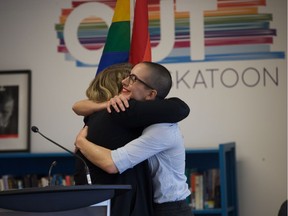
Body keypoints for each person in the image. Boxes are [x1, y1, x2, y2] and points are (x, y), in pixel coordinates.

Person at [74, 61, 193, 216]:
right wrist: (106, 104)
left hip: (170, 209)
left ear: (151, 94)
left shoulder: (162, 128)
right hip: (155, 205)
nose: (124, 82)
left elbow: (111, 163)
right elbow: (78, 106)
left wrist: (81, 142)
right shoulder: (141, 119)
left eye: (133, 79)